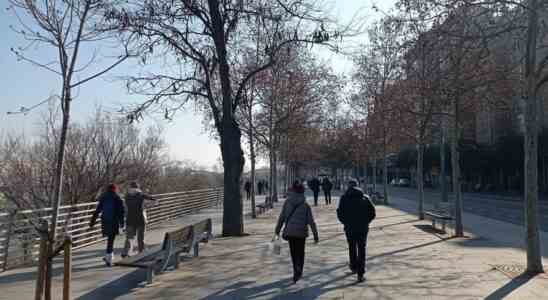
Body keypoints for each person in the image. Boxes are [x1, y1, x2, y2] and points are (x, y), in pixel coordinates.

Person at [275, 180, 319, 283]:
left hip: (290, 232)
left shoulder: (287, 202)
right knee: (301, 252)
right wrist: (316, 235)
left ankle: (295, 269)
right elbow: (311, 222)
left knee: (293, 252)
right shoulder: (306, 205)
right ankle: (299, 271)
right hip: (301, 233)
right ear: (303, 192)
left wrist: (277, 229)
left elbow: (282, 217)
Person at [337, 179, 376, 282]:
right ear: (358, 186)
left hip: (349, 228)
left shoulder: (344, 198)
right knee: (362, 249)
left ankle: (353, 266)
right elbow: (372, 213)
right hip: (362, 228)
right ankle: (360, 273)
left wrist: (345, 222)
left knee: (352, 247)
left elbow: (340, 213)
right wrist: (366, 222)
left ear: (349, 186)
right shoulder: (365, 197)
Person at [90, 183, 125, 267]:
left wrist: (92, 221)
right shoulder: (117, 198)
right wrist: (122, 223)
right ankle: (109, 258)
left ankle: (108, 256)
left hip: (105, 220)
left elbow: (98, 210)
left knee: (110, 239)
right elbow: (121, 212)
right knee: (111, 239)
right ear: (115, 189)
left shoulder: (104, 197)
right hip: (114, 220)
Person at [122, 181, 157, 258]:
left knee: (129, 238)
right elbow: (155, 201)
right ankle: (141, 253)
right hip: (140, 219)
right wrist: (147, 206)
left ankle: (125, 253)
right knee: (141, 238)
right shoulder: (142, 195)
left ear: (130, 188)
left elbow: (125, 208)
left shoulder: (126, 197)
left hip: (130, 220)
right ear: (138, 188)